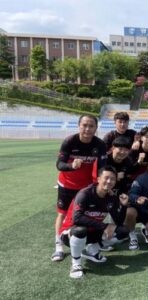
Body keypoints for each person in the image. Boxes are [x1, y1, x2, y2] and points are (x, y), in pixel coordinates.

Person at [51, 115, 107, 262]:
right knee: (63, 214)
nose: (87, 129)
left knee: (86, 215)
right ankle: (58, 247)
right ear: (79, 126)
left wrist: (102, 184)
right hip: (67, 184)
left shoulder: (100, 144)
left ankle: (91, 243)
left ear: (96, 128)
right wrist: (71, 166)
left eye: (91, 126)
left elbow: (102, 167)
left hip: (87, 188)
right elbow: (59, 164)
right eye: (84, 125)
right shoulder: (69, 141)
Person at [58, 166, 130, 279]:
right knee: (80, 230)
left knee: (123, 232)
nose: (109, 181)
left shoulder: (111, 198)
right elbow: (77, 218)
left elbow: (119, 221)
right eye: (106, 178)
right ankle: (76, 264)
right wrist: (104, 226)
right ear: (98, 179)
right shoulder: (85, 193)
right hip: (70, 232)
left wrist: (124, 206)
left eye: (112, 179)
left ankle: (92, 250)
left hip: (93, 231)